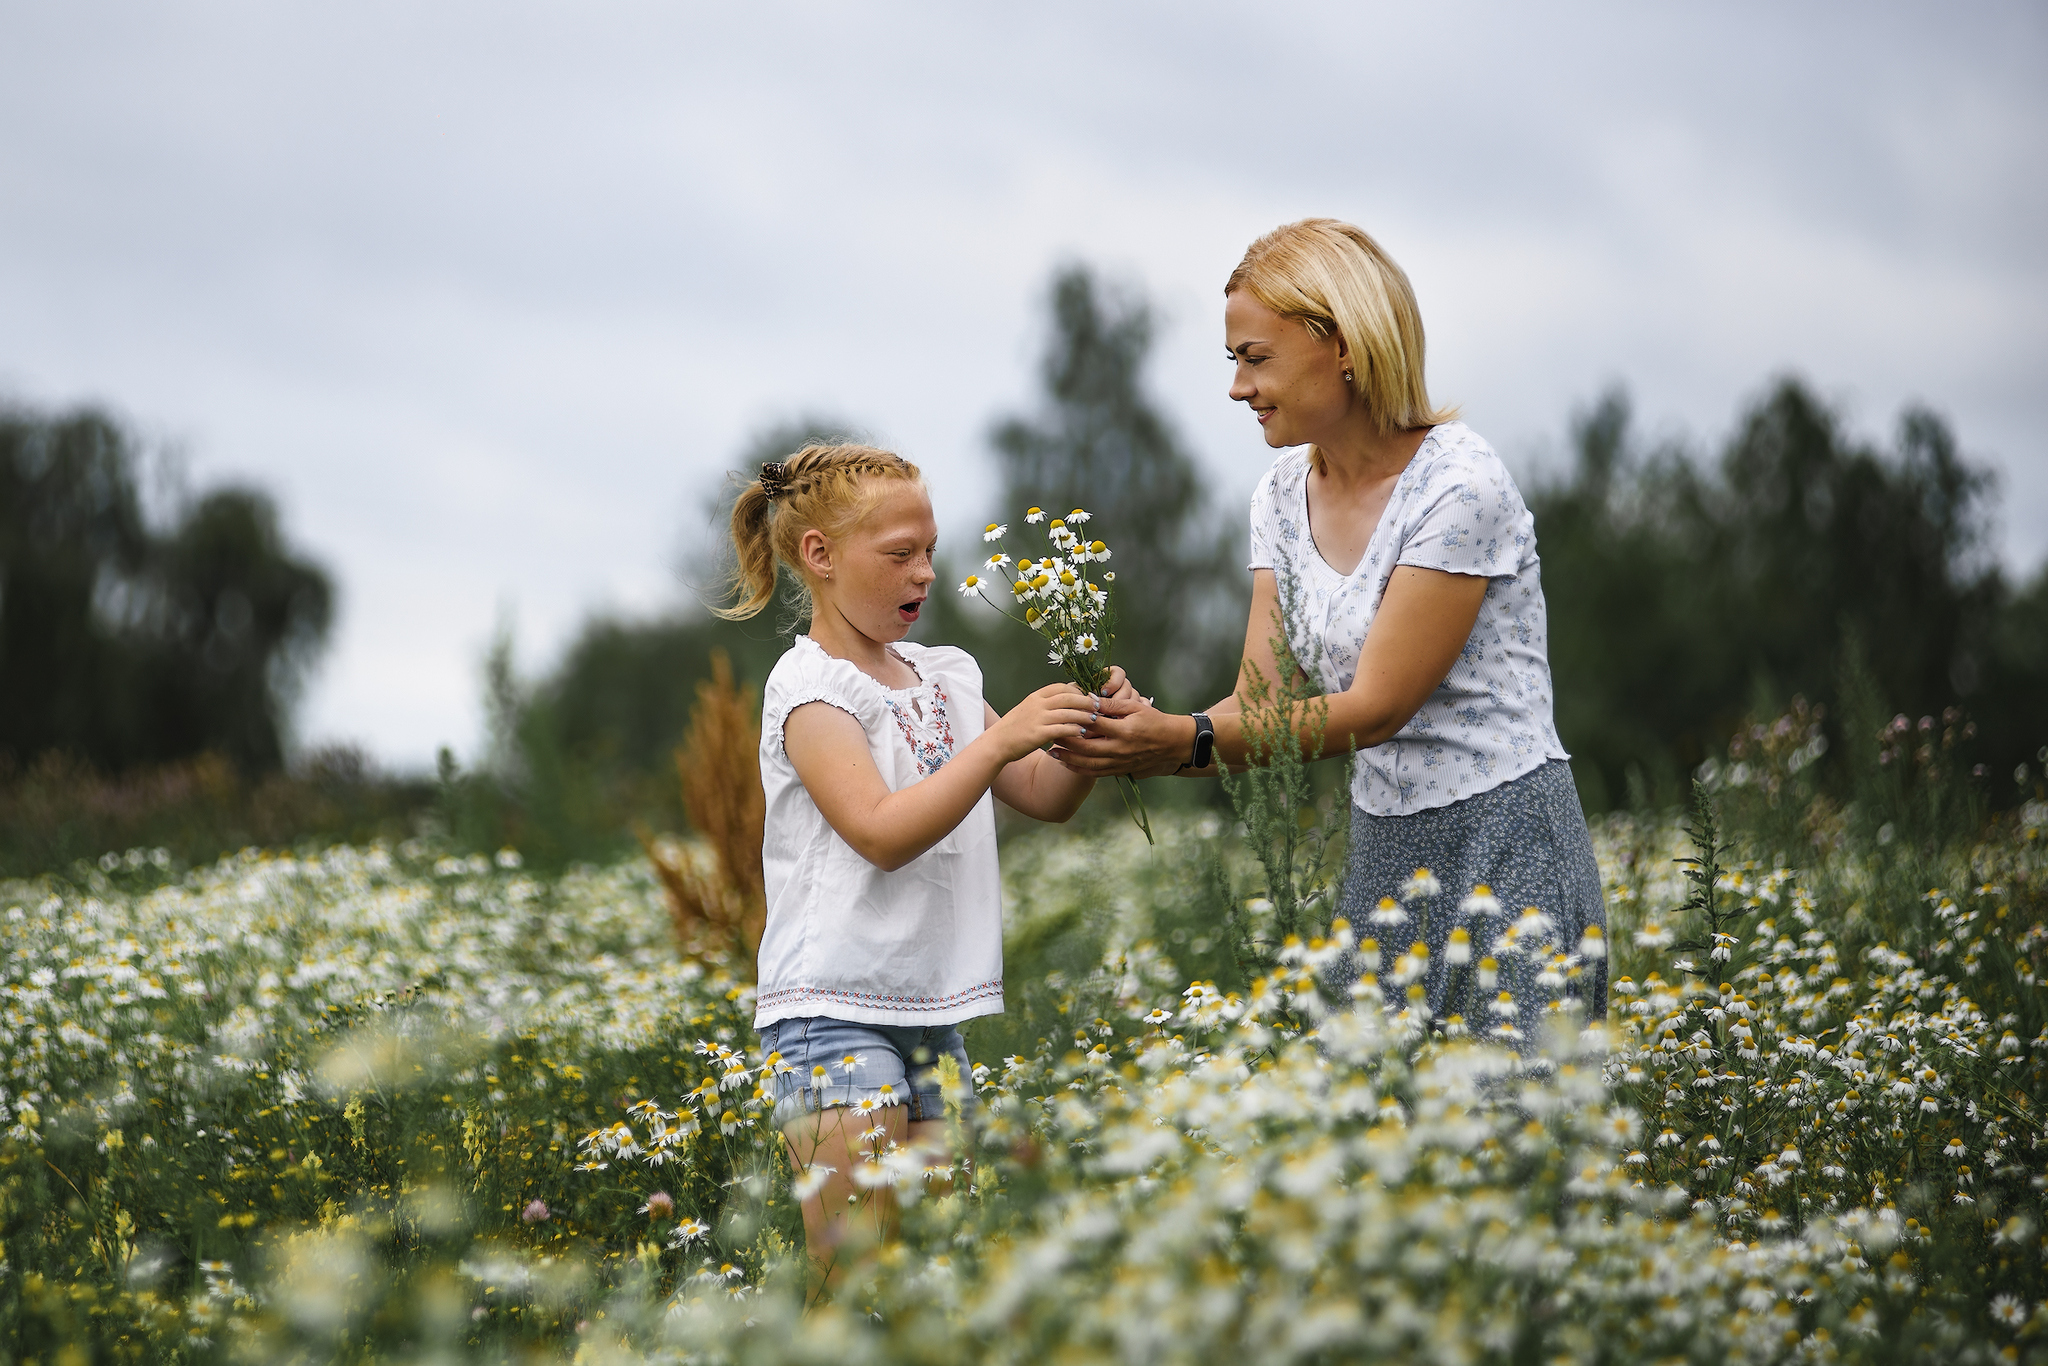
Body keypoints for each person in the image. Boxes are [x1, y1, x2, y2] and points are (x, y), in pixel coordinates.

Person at [1057, 218, 1607, 1037]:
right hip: (1384, 849)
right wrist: (1140, 739)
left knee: (1513, 1147)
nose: (1239, 388)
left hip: (1505, 841)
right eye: (1234, 360)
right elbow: (1260, 706)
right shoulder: (1280, 496)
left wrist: (1179, 739)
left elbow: (1379, 707)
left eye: (1257, 358)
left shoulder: (1460, 485)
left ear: (1343, 345)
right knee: (1371, 1143)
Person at [720, 442, 1119, 1292]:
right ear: (818, 555)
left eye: (930, 550)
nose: (926, 573)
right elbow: (880, 831)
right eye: (899, 554)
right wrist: (1004, 736)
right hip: (829, 1013)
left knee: (941, 1273)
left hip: (932, 1012)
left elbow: (1043, 794)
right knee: (859, 1282)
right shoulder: (811, 691)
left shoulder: (942, 677)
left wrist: (1091, 733)